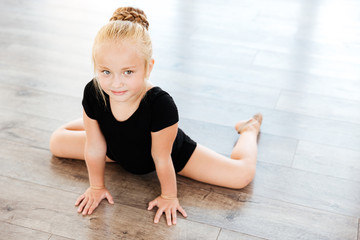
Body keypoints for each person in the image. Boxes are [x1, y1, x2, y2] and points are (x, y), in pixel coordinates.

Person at [49, 7, 263, 226]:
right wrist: (96, 186)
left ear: (148, 67)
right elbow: (94, 147)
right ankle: (98, 123)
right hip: (115, 148)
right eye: (106, 72)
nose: (116, 83)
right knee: (57, 142)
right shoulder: (94, 92)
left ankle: (249, 128)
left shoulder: (161, 105)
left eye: (128, 72)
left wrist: (169, 196)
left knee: (241, 176)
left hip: (169, 154)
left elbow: (161, 157)